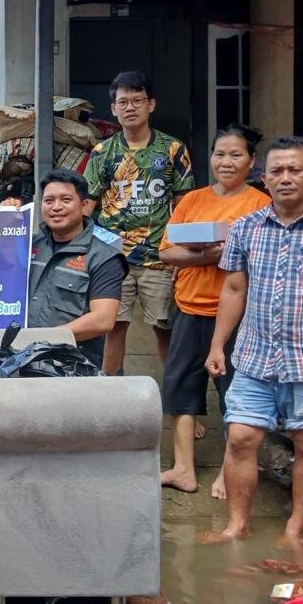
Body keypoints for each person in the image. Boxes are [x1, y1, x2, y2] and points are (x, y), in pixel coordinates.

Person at [203, 136, 303, 544]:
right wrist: (217, 345)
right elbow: (234, 290)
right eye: (276, 171)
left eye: (295, 170)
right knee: (241, 437)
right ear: (264, 178)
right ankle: (236, 525)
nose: (285, 178)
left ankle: (294, 528)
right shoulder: (246, 228)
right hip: (255, 356)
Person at [157, 125, 271, 496]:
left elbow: (265, 259)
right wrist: (207, 254)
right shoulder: (191, 200)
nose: (226, 161)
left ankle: (228, 472)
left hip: (238, 316)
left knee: (234, 394)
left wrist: (229, 250)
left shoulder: (260, 204)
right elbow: (165, 252)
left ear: (251, 162)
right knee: (179, 390)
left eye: (236, 155)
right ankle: (183, 469)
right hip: (188, 307)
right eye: (220, 154)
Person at [85, 70, 195, 376]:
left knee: (165, 329)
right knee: (112, 328)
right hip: (111, 258)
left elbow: (184, 206)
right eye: (123, 102)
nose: (130, 107)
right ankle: (110, 401)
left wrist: (181, 254)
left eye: (137, 100)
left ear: (151, 105)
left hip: (158, 258)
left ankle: (179, 404)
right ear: (114, 108)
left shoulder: (173, 150)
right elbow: (87, 205)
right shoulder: (101, 153)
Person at [26, 169, 128, 367]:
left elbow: (103, 320)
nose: (56, 207)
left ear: (83, 205)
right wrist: (5, 214)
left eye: (65, 200)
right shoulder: (28, 246)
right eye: (49, 201)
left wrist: (42, 340)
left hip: (71, 366)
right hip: (20, 359)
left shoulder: (103, 257)